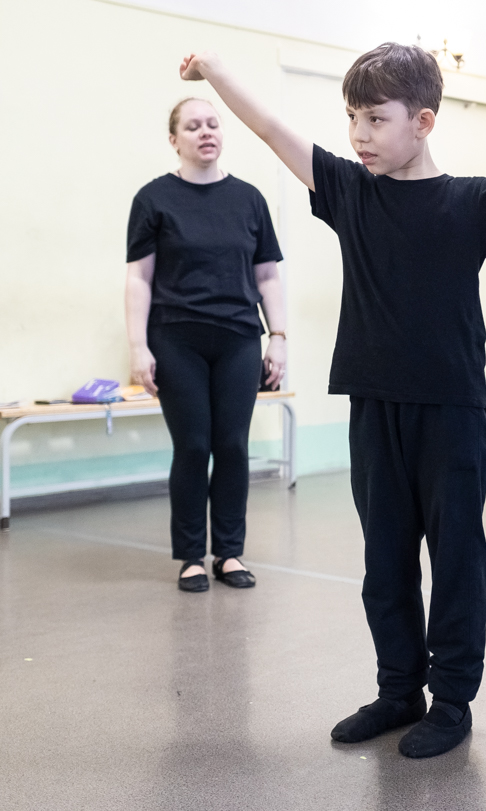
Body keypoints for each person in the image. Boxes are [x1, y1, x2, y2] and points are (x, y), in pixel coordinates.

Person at [178, 44, 486, 758]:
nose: (359, 135)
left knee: (455, 556)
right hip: (373, 405)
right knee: (386, 560)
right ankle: (399, 689)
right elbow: (273, 129)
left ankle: (452, 699)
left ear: (423, 121)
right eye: (352, 118)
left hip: (451, 410)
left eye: (375, 119)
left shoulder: (470, 201)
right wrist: (214, 71)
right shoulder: (351, 191)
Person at [125, 97, 286, 593]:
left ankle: (229, 553)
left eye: (213, 124)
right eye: (193, 126)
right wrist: (138, 346)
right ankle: (192, 556)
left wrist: (279, 338)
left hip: (239, 337)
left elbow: (267, 276)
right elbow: (139, 279)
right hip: (176, 338)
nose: (206, 132)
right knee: (194, 446)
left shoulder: (249, 199)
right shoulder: (153, 199)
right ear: (174, 140)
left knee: (232, 446)